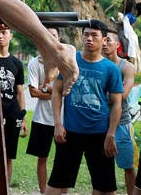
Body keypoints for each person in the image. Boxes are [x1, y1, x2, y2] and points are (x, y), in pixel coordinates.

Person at [46, 20, 123, 195]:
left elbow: (117, 103)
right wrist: (58, 124)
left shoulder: (111, 69)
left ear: (104, 40)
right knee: (57, 183)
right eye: (86, 34)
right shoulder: (70, 60)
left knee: (104, 187)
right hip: (70, 133)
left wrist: (111, 133)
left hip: (99, 133)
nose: (89, 38)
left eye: (94, 35)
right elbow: (56, 92)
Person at [25, 28, 65, 195]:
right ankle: (43, 192)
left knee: (64, 158)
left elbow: (68, 91)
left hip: (64, 120)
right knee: (42, 158)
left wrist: (48, 89)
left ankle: (63, 191)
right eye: (46, 35)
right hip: (42, 119)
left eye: (53, 35)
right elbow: (33, 92)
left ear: (59, 38)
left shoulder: (65, 60)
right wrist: (55, 92)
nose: (49, 38)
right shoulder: (35, 63)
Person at [103, 29, 137, 195]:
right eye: (103, 40)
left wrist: (98, 94)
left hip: (121, 123)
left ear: (117, 45)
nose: (104, 43)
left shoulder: (127, 67)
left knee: (128, 165)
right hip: (100, 121)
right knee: (102, 165)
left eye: (108, 40)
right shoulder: (96, 65)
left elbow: (122, 96)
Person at [0, 24, 27, 184]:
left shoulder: (17, 64)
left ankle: (5, 187)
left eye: (4, 32)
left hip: (12, 113)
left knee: (8, 155)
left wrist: (23, 118)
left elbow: (20, 92)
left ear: (10, 36)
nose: (0, 36)